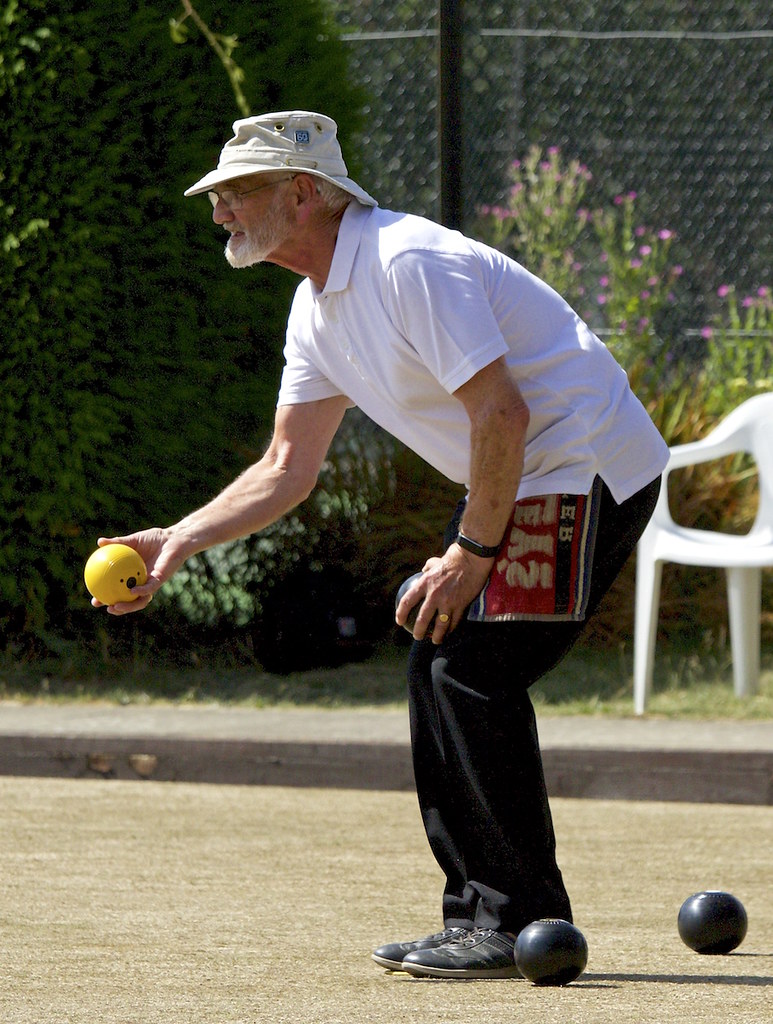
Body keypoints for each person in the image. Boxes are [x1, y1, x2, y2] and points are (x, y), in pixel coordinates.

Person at [96, 111, 669, 979]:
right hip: (519, 473)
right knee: (438, 655)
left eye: (236, 193)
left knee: (474, 667)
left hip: (583, 464)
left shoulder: (409, 264)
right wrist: (177, 540)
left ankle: (520, 919)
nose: (219, 212)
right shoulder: (315, 308)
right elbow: (287, 467)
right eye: (215, 196)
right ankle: (475, 915)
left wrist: (470, 550)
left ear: (303, 192)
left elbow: (503, 412)